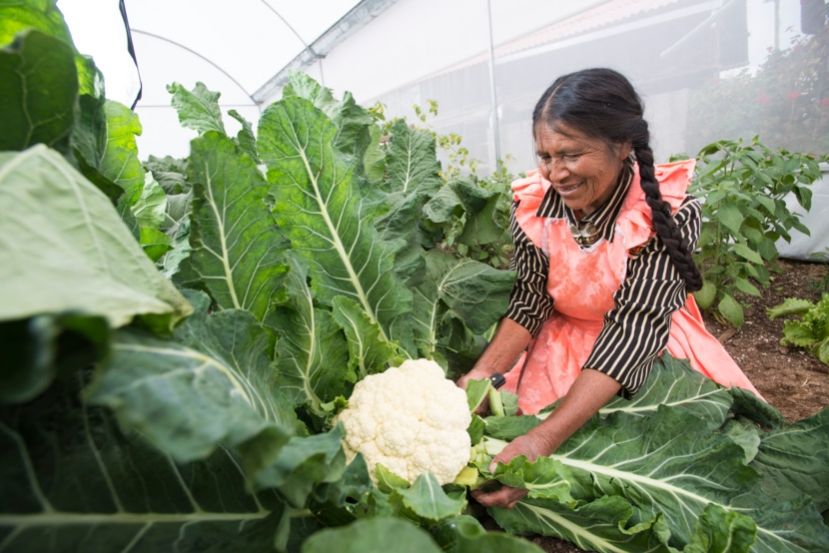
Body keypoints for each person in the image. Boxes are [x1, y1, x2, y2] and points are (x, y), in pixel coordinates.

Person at [457, 68, 761, 509]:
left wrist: (542, 439)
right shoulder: (535, 204)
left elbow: (633, 329)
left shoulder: (666, 212)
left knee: (640, 458)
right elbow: (529, 301)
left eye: (571, 154)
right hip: (559, 344)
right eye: (545, 156)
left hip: (646, 349)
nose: (555, 173)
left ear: (622, 146)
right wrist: (479, 378)